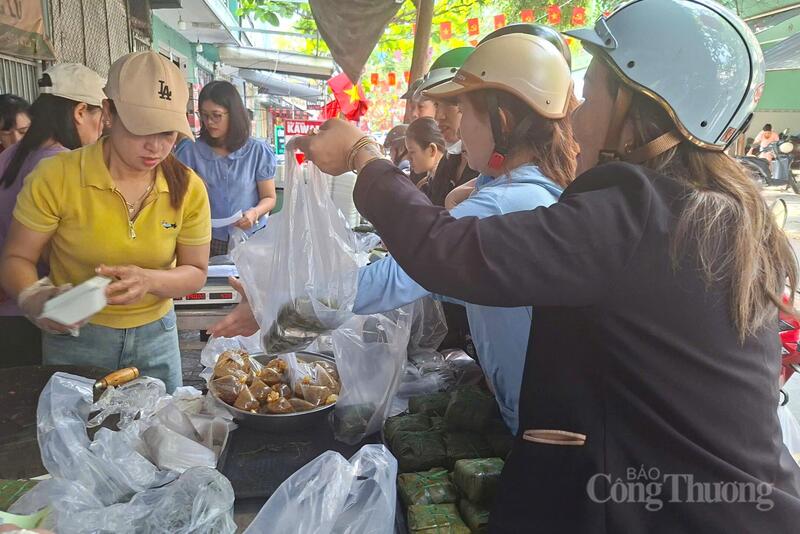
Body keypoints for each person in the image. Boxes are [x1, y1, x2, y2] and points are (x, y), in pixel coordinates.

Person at [293, 1, 800, 531]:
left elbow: (445, 254)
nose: (576, 115)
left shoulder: (636, 210)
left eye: (594, 91)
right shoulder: (715, 209)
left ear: (638, 102)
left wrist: (363, 157)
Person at [356, 34, 577, 433]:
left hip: (536, 417)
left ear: (502, 122)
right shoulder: (514, 189)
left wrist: (291, 299)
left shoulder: (508, 202)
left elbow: (399, 276)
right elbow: (459, 280)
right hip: (524, 403)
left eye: (462, 110)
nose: (454, 129)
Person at [0, 51, 211, 393]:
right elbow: (16, 259)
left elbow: (195, 272)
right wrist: (36, 298)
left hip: (156, 336)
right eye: (142, 129)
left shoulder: (187, 187)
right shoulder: (57, 176)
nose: (156, 146)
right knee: (77, 436)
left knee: (160, 436)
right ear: (109, 112)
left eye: (169, 133)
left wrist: (149, 280)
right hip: (77, 338)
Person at [0, 63, 106, 367]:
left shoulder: (8, 156)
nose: (101, 128)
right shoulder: (62, 166)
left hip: (9, 308)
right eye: (100, 115)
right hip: (47, 311)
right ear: (80, 111)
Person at [175, 81, 276, 257]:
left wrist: (254, 212)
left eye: (217, 115)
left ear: (234, 114)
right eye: (204, 115)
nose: (209, 122)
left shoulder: (257, 151)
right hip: (203, 238)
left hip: (248, 236)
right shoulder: (190, 151)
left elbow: (269, 197)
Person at [405, 117, 446, 192]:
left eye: (412, 152)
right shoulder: (425, 183)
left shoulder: (447, 185)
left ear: (432, 150)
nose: (408, 158)